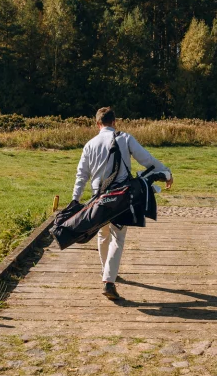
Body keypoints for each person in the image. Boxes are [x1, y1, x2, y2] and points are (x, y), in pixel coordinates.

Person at [72, 107, 173, 300]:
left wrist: (75, 200)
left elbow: (81, 175)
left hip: (98, 196)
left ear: (97, 123)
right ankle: (109, 281)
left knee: (102, 234)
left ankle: (106, 272)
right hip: (120, 196)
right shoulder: (125, 138)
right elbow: (147, 160)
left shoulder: (90, 145)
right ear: (114, 121)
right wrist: (166, 172)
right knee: (118, 237)